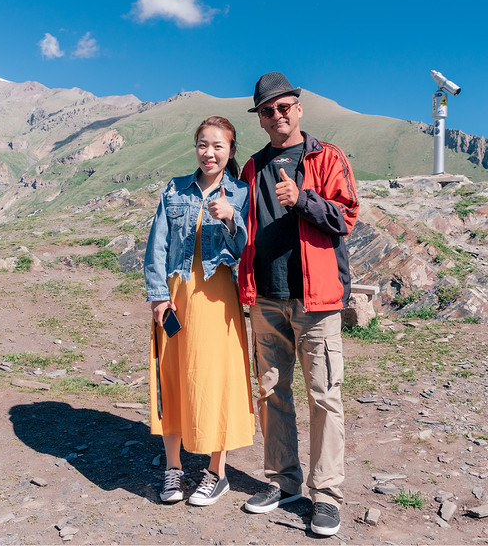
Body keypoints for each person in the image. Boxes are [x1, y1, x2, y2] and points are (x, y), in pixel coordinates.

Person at [237, 72, 359, 536]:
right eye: (267, 111)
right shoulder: (250, 168)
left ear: (298, 108)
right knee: (271, 392)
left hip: (316, 300)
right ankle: (283, 481)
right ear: (260, 118)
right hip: (265, 297)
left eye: (283, 107)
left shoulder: (326, 157)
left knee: (325, 396)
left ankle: (326, 496)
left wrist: (302, 199)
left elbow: (345, 216)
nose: (276, 116)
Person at [143, 115, 254, 506]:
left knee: (217, 379)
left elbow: (245, 250)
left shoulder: (240, 192)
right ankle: (173, 469)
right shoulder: (174, 190)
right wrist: (158, 295)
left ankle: (215, 472)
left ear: (230, 151)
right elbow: (157, 243)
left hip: (219, 297)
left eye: (218, 146)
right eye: (203, 145)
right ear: (196, 147)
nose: (209, 152)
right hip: (176, 294)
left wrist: (231, 219)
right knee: (172, 375)